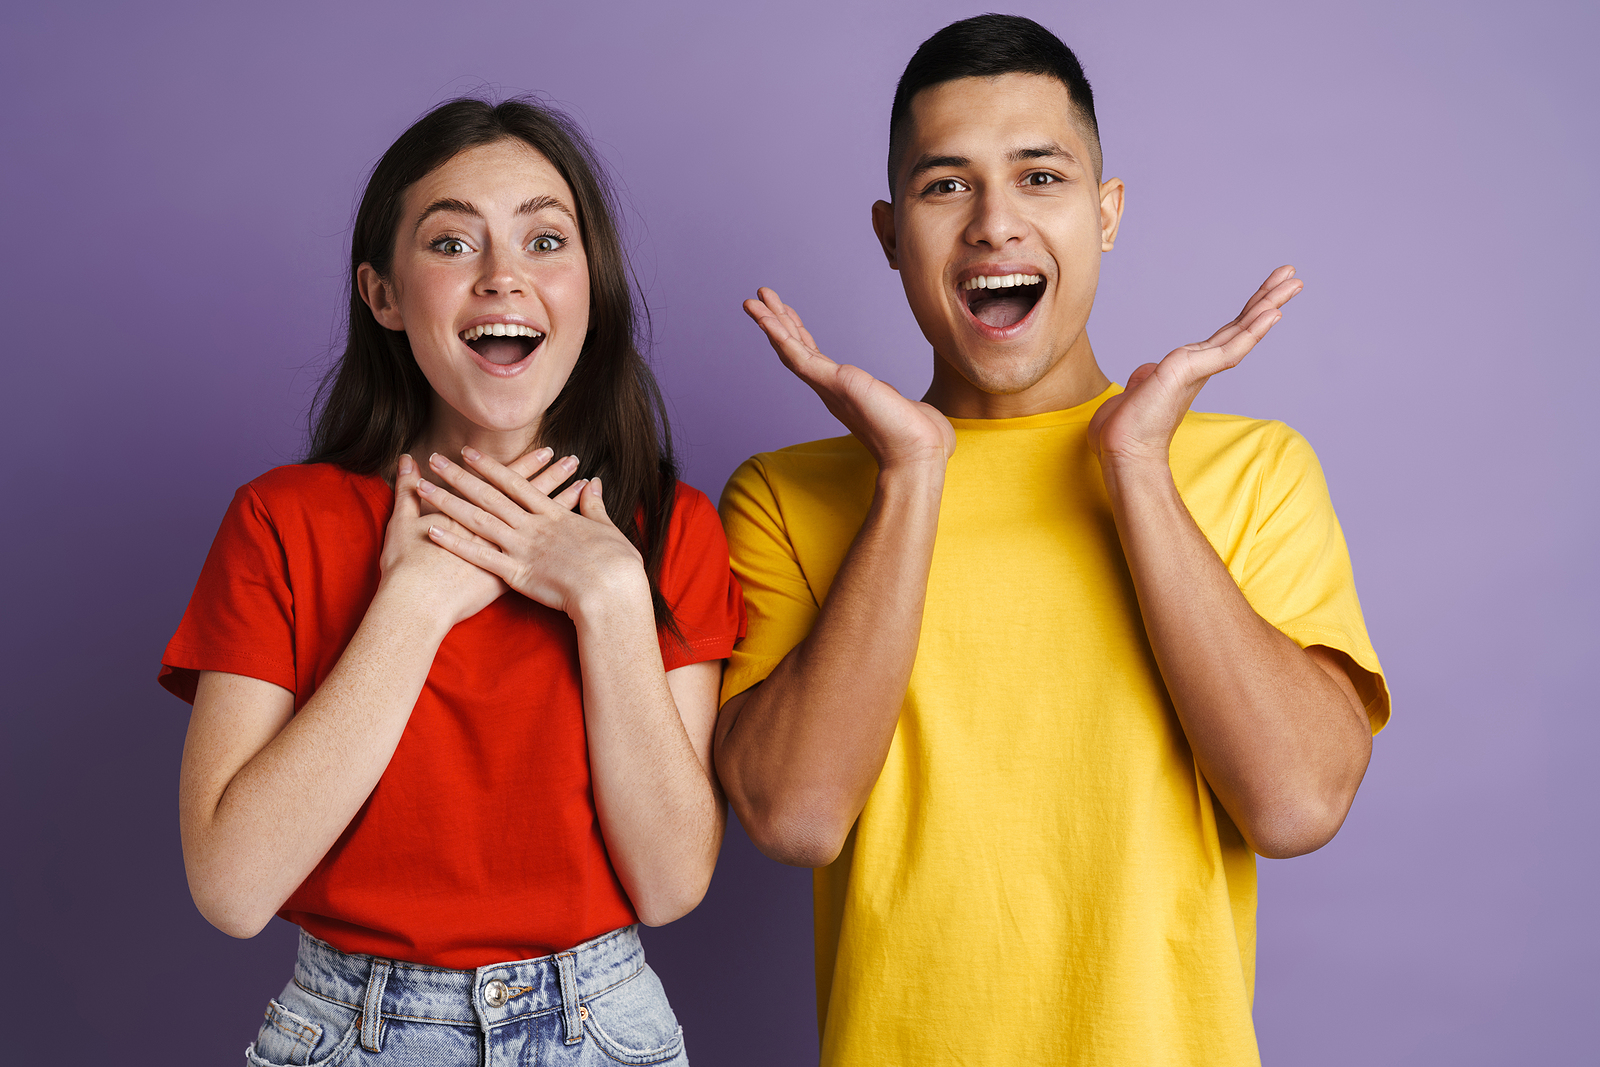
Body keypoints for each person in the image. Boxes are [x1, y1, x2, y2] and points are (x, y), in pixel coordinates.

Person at [714, 15, 1389, 1067]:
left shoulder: (1251, 469)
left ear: (1105, 213)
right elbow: (796, 817)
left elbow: (1296, 802)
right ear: (891, 236)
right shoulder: (785, 495)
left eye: (1039, 177)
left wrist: (1135, 469)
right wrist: (911, 475)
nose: (994, 223)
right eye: (947, 186)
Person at [160, 97, 743, 1066]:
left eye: (545, 239)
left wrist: (609, 602)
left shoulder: (667, 528)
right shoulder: (282, 519)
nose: (503, 276)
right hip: (347, 1027)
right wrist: (416, 602)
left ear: (588, 286)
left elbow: (671, 882)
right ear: (383, 294)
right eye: (451, 243)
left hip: (600, 1024)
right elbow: (231, 885)